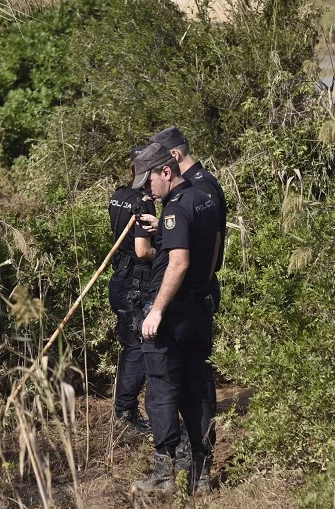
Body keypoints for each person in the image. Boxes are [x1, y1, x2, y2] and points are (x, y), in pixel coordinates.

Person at [129, 143, 221, 495]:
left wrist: (156, 310)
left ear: (166, 171)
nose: (147, 189)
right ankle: (201, 475)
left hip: (172, 312)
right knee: (198, 390)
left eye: (149, 180)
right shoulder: (205, 195)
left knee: (162, 389)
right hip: (200, 308)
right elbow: (211, 247)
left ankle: (165, 474)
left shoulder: (176, 208)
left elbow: (179, 261)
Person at [106, 146, 156, 437]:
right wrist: (166, 251)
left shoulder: (119, 195)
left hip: (120, 278)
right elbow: (142, 249)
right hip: (135, 284)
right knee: (137, 346)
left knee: (131, 346)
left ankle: (125, 410)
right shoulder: (142, 202)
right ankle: (125, 415)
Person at [148, 127, 226, 312]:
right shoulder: (187, 185)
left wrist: (203, 285)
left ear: (174, 155)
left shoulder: (201, 185)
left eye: (160, 156)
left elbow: (212, 236)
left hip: (196, 289)